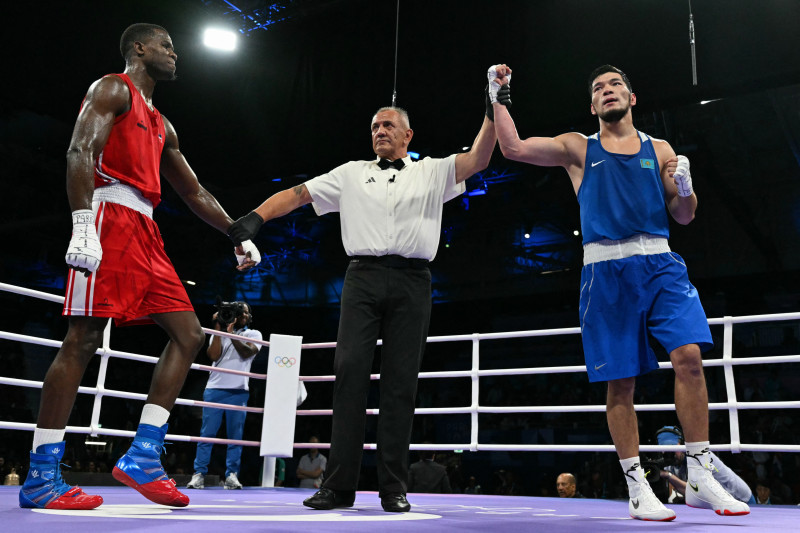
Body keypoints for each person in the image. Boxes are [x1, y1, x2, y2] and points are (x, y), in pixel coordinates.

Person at [489, 63, 750, 521]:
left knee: (689, 357)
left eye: (615, 84)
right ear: (593, 106)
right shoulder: (578, 147)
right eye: (598, 88)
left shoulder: (660, 147)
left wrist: (685, 186)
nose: (607, 90)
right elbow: (512, 147)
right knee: (621, 382)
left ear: (632, 98)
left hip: (661, 262)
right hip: (606, 270)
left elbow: (684, 215)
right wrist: (498, 93)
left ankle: (700, 472)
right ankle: (636, 486)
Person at [18, 23, 260, 511]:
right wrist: (82, 223)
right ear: (140, 48)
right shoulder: (112, 88)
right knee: (83, 339)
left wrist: (237, 231)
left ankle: (144, 455)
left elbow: (193, 192)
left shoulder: (163, 124)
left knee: (190, 335)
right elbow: (79, 150)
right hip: (105, 214)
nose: (175, 54)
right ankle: (42, 474)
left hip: (146, 230)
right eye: (167, 46)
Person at [227, 105, 496, 512]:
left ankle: (394, 488)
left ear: (408, 135)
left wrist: (495, 105)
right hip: (361, 279)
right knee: (349, 373)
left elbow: (479, 157)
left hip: (413, 279)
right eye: (374, 126)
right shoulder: (351, 173)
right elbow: (299, 195)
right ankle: (337, 487)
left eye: (388, 125)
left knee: (400, 383)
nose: (380, 131)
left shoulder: (433, 171)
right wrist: (255, 218)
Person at [187, 302, 262, 490]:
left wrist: (231, 334)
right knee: (207, 434)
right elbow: (212, 355)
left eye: (244, 312)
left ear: (249, 316)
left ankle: (232, 475)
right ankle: (198, 474)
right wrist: (219, 328)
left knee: (235, 436)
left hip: (238, 390)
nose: (240, 315)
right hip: (214, 388)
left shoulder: (254, 334)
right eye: (238, 312)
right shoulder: (219, 332)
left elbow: (246, 353)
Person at [652, 426, 755, 505]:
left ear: (682, 443)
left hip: (740, 499)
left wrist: (668, 476)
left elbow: (697, 492)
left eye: (673, 446)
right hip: (717, 502)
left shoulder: (700, 456)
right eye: (665, 448)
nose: (671, 452)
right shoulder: (669, 461)